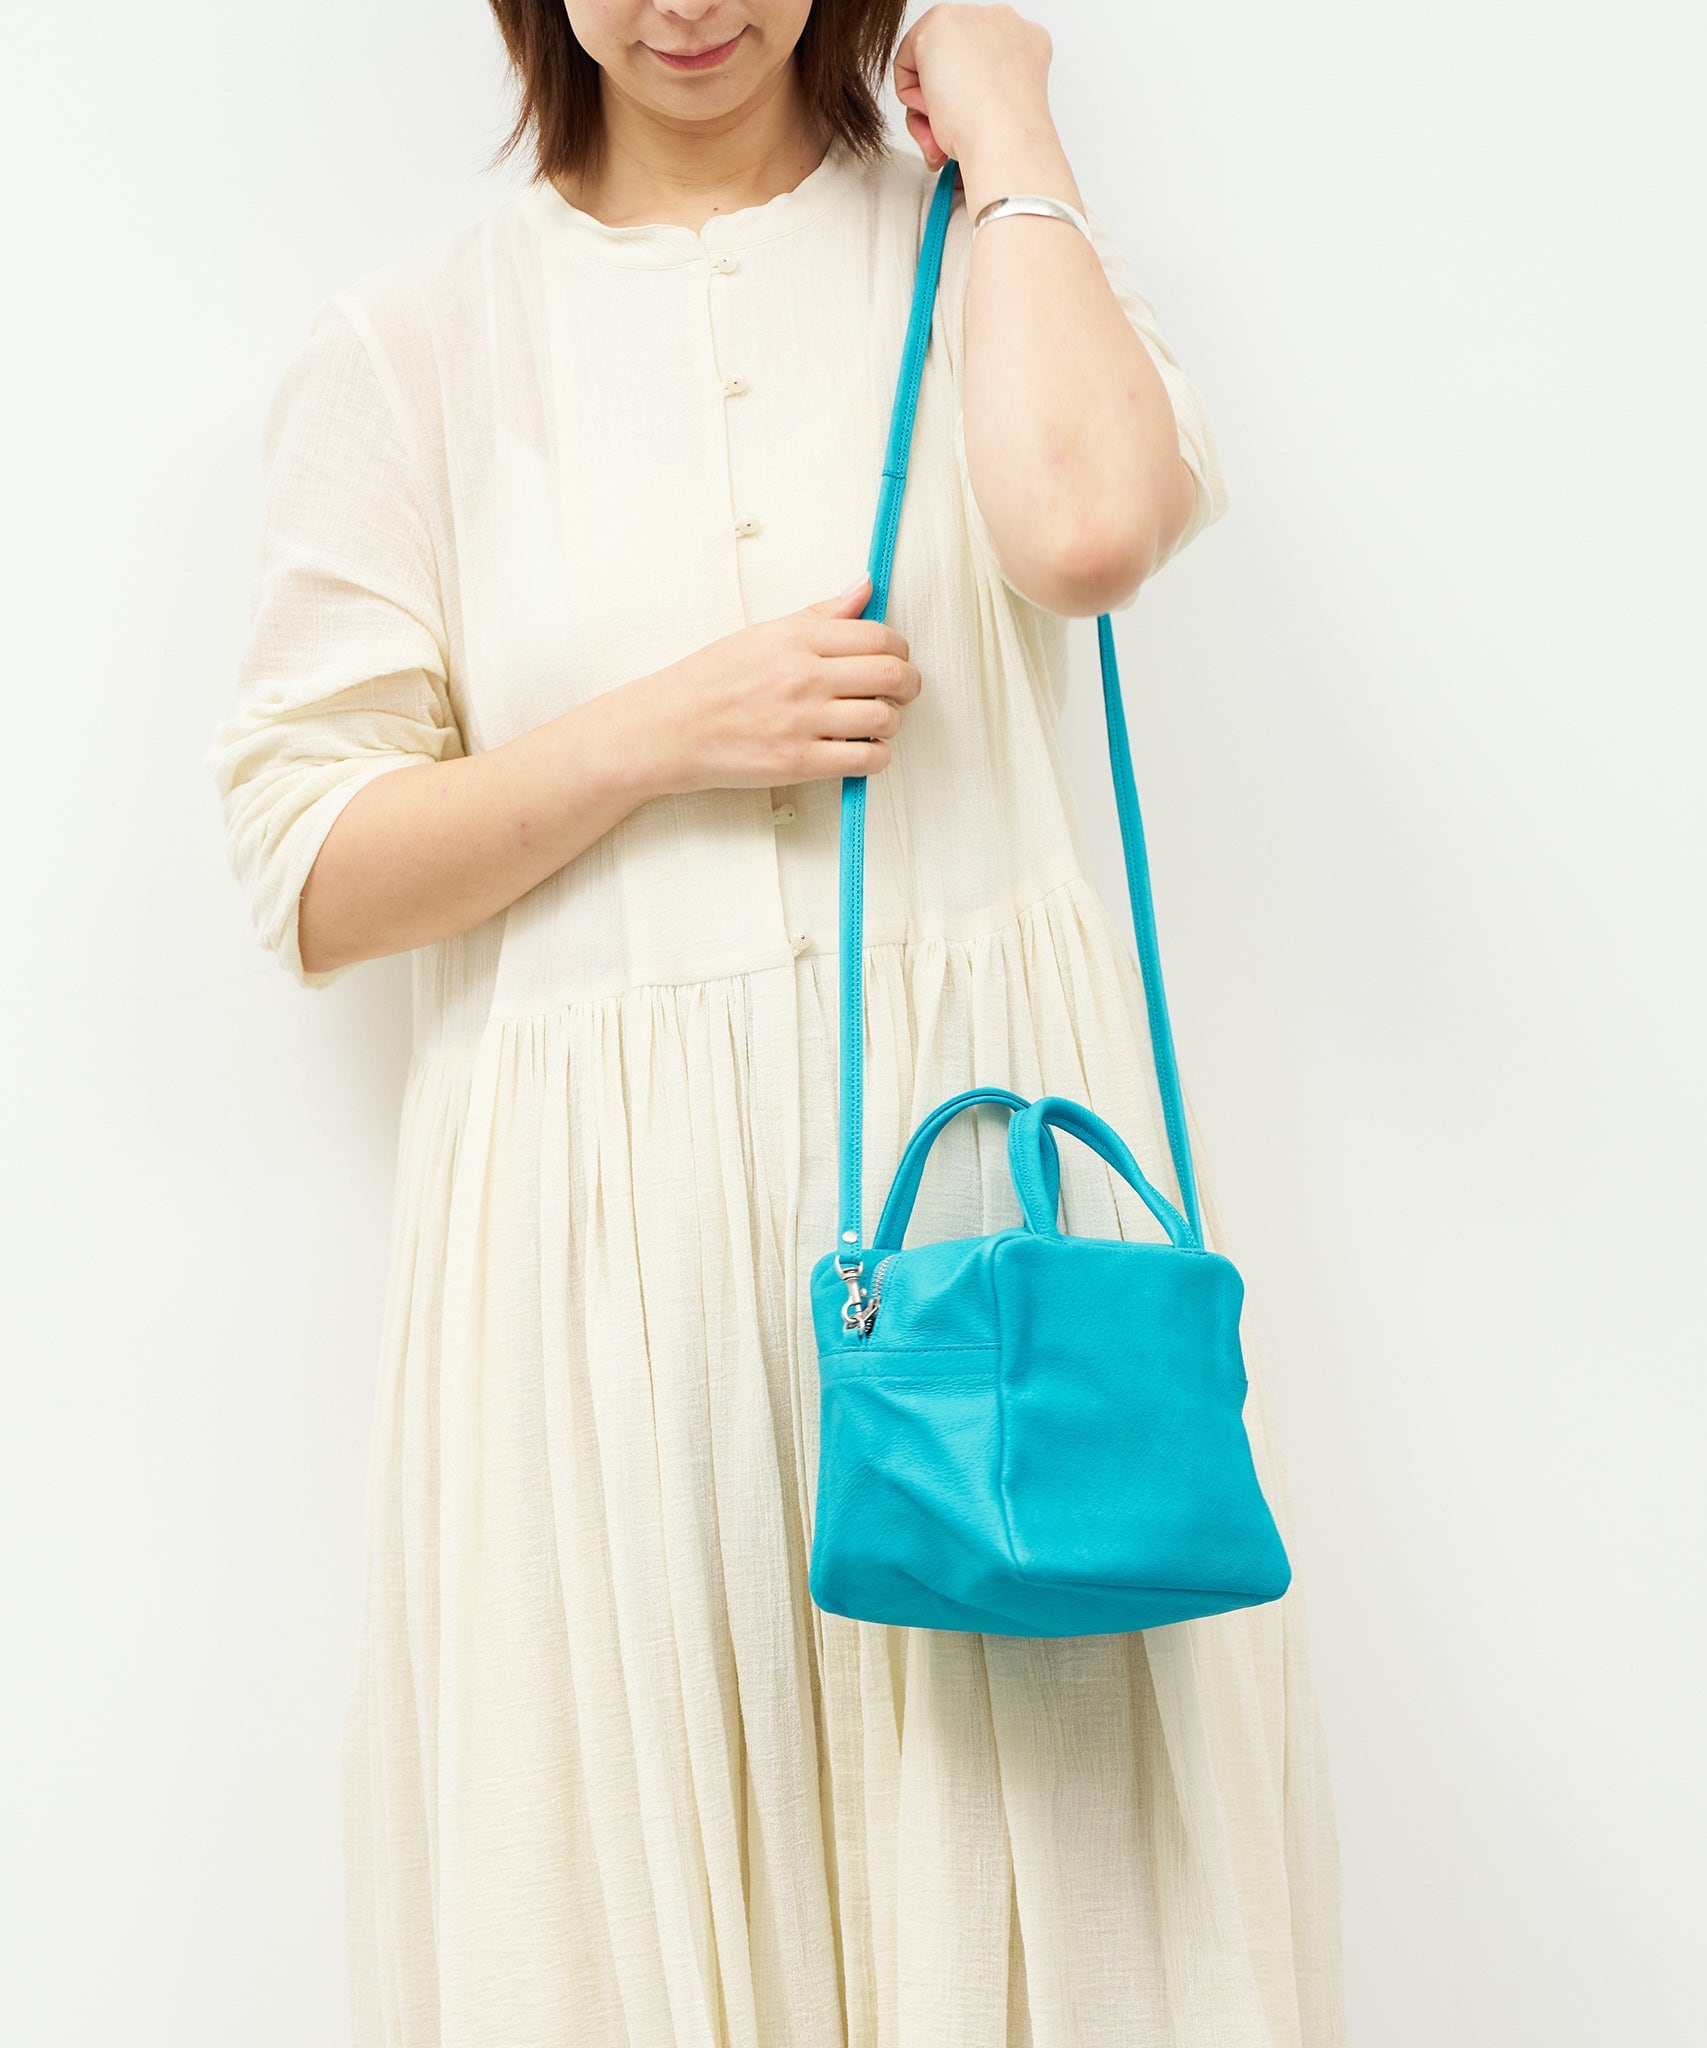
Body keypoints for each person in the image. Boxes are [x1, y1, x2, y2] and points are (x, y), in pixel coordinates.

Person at [205, 2, 1347, 2041]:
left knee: (1043, 1896)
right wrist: (655, 734)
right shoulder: (411, 348)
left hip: (980, 1235)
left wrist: (1007, 124)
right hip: (602, 1280)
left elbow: (1091, 532)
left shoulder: (982, 255)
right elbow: (312, 871)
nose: (685, 6)